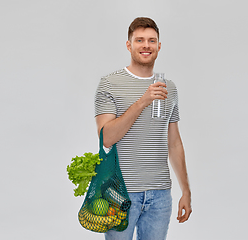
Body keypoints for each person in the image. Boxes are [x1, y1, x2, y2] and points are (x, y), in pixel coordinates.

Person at [94, 17, 192, 240]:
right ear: (129, 45)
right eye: (139, 40)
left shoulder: (170, 88)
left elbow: (174, 142)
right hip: (119, 191)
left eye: (151, 40)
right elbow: (106, 138)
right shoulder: (110, 83)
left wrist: (186, 190)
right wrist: (142, 101)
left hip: (160, 195)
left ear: (159, 46)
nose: (146, 45)